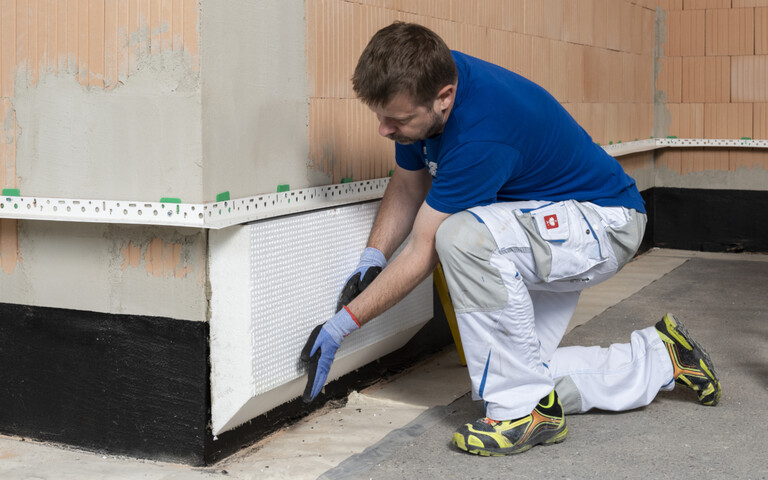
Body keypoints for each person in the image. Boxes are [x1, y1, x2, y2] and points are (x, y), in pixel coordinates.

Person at [301, 22, 721, 457]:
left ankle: (519, 417)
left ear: (443, 97)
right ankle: (662, 357)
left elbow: (425, 247)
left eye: (398, 120)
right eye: (381, 117)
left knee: (460, 236)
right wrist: (373, 256)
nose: (384, 130)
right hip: (538, 228)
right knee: (515, 374)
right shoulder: (425, 88)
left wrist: (343, 325)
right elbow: (409, 185)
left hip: (605, 225)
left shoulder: (480, 131)